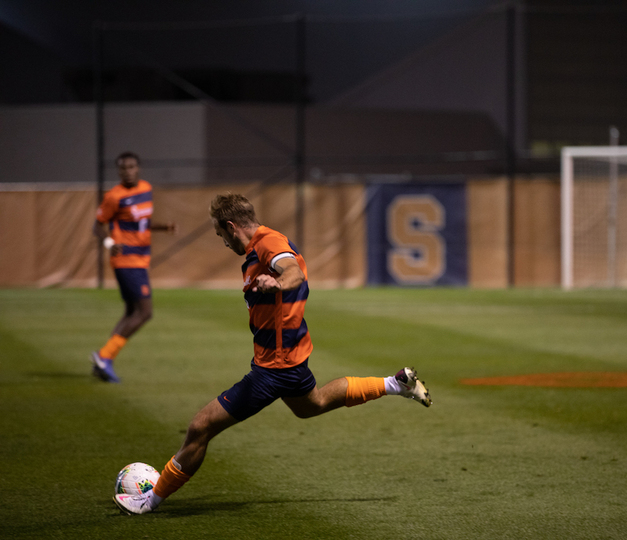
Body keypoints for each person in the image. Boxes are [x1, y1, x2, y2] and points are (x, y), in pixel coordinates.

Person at [113, 193, 431, 515]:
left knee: (200, 427)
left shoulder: (268, 243)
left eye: (220, 234)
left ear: (231, 226)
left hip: (274, 369)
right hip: (289, 360)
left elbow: (292, 270)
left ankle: (148, 501)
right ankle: (396, 384)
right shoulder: (255, 252)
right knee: (313, 404)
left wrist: (279, 283)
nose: (222, 242)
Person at [90, 152, 176, 383]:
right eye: (123, 168)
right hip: (126, 260)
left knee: (131, 311)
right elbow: (97, 226)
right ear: (119, 171)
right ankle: (105, 356)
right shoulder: (114, 197)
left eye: (131, 167)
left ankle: (104, 359)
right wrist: (109, 243)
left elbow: (142, 222)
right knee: (145, 312)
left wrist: (163, 227)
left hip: (140, 258)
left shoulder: (146, 189)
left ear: (138, 168)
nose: (127, 171)